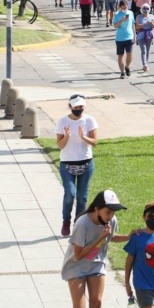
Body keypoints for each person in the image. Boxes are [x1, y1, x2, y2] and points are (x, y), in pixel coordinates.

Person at [62, 190, 132, 308]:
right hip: (76, 266)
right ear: (97, 209)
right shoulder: (82, 223)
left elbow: (111, 237)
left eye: (113, 212)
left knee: (97, 303)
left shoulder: (112, 220)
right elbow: (78, 256)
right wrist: (100, 237)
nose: (111, 216)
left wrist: (129, 237)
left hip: (97, 264)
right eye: (108, 212)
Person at [55, 95, 99, 237]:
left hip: (86, 163)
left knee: (82, 196)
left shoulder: (89, 120)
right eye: (76, 107)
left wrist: (83, 136)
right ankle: (66, 220)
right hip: (67, 163)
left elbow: (94, 142)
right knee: (70, 193)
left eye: (81, 107)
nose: (79, 109)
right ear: (70, 107)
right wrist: (67, 136)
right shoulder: (62, 121)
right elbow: (60, 145)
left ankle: (78, 224)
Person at [113, 0, 135, 79]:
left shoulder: (131, 13)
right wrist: (122, 20)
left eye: (126, 5)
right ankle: (122, 72)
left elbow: (132, 24)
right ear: (120, 6)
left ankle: (127, 66)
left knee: (130, 54)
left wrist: (134, 36)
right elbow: (115, 26)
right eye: (124, 5)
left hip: (129, 37)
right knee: (120, 56)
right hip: (120, 38)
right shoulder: (117, 14)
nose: (125, 7)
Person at [136, 4, 154, 72]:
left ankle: (146, 63)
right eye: (144, 9)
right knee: (143, 50)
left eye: (147, 9)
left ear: (149, 10)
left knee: (147, 50)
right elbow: (137, 27)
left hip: (149, 35)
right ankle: (144, 64)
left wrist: (151, 24)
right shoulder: (138, 16)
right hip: (141, 35)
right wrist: (144, 24)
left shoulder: (151, 16)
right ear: (141, 10)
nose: (145, 11)